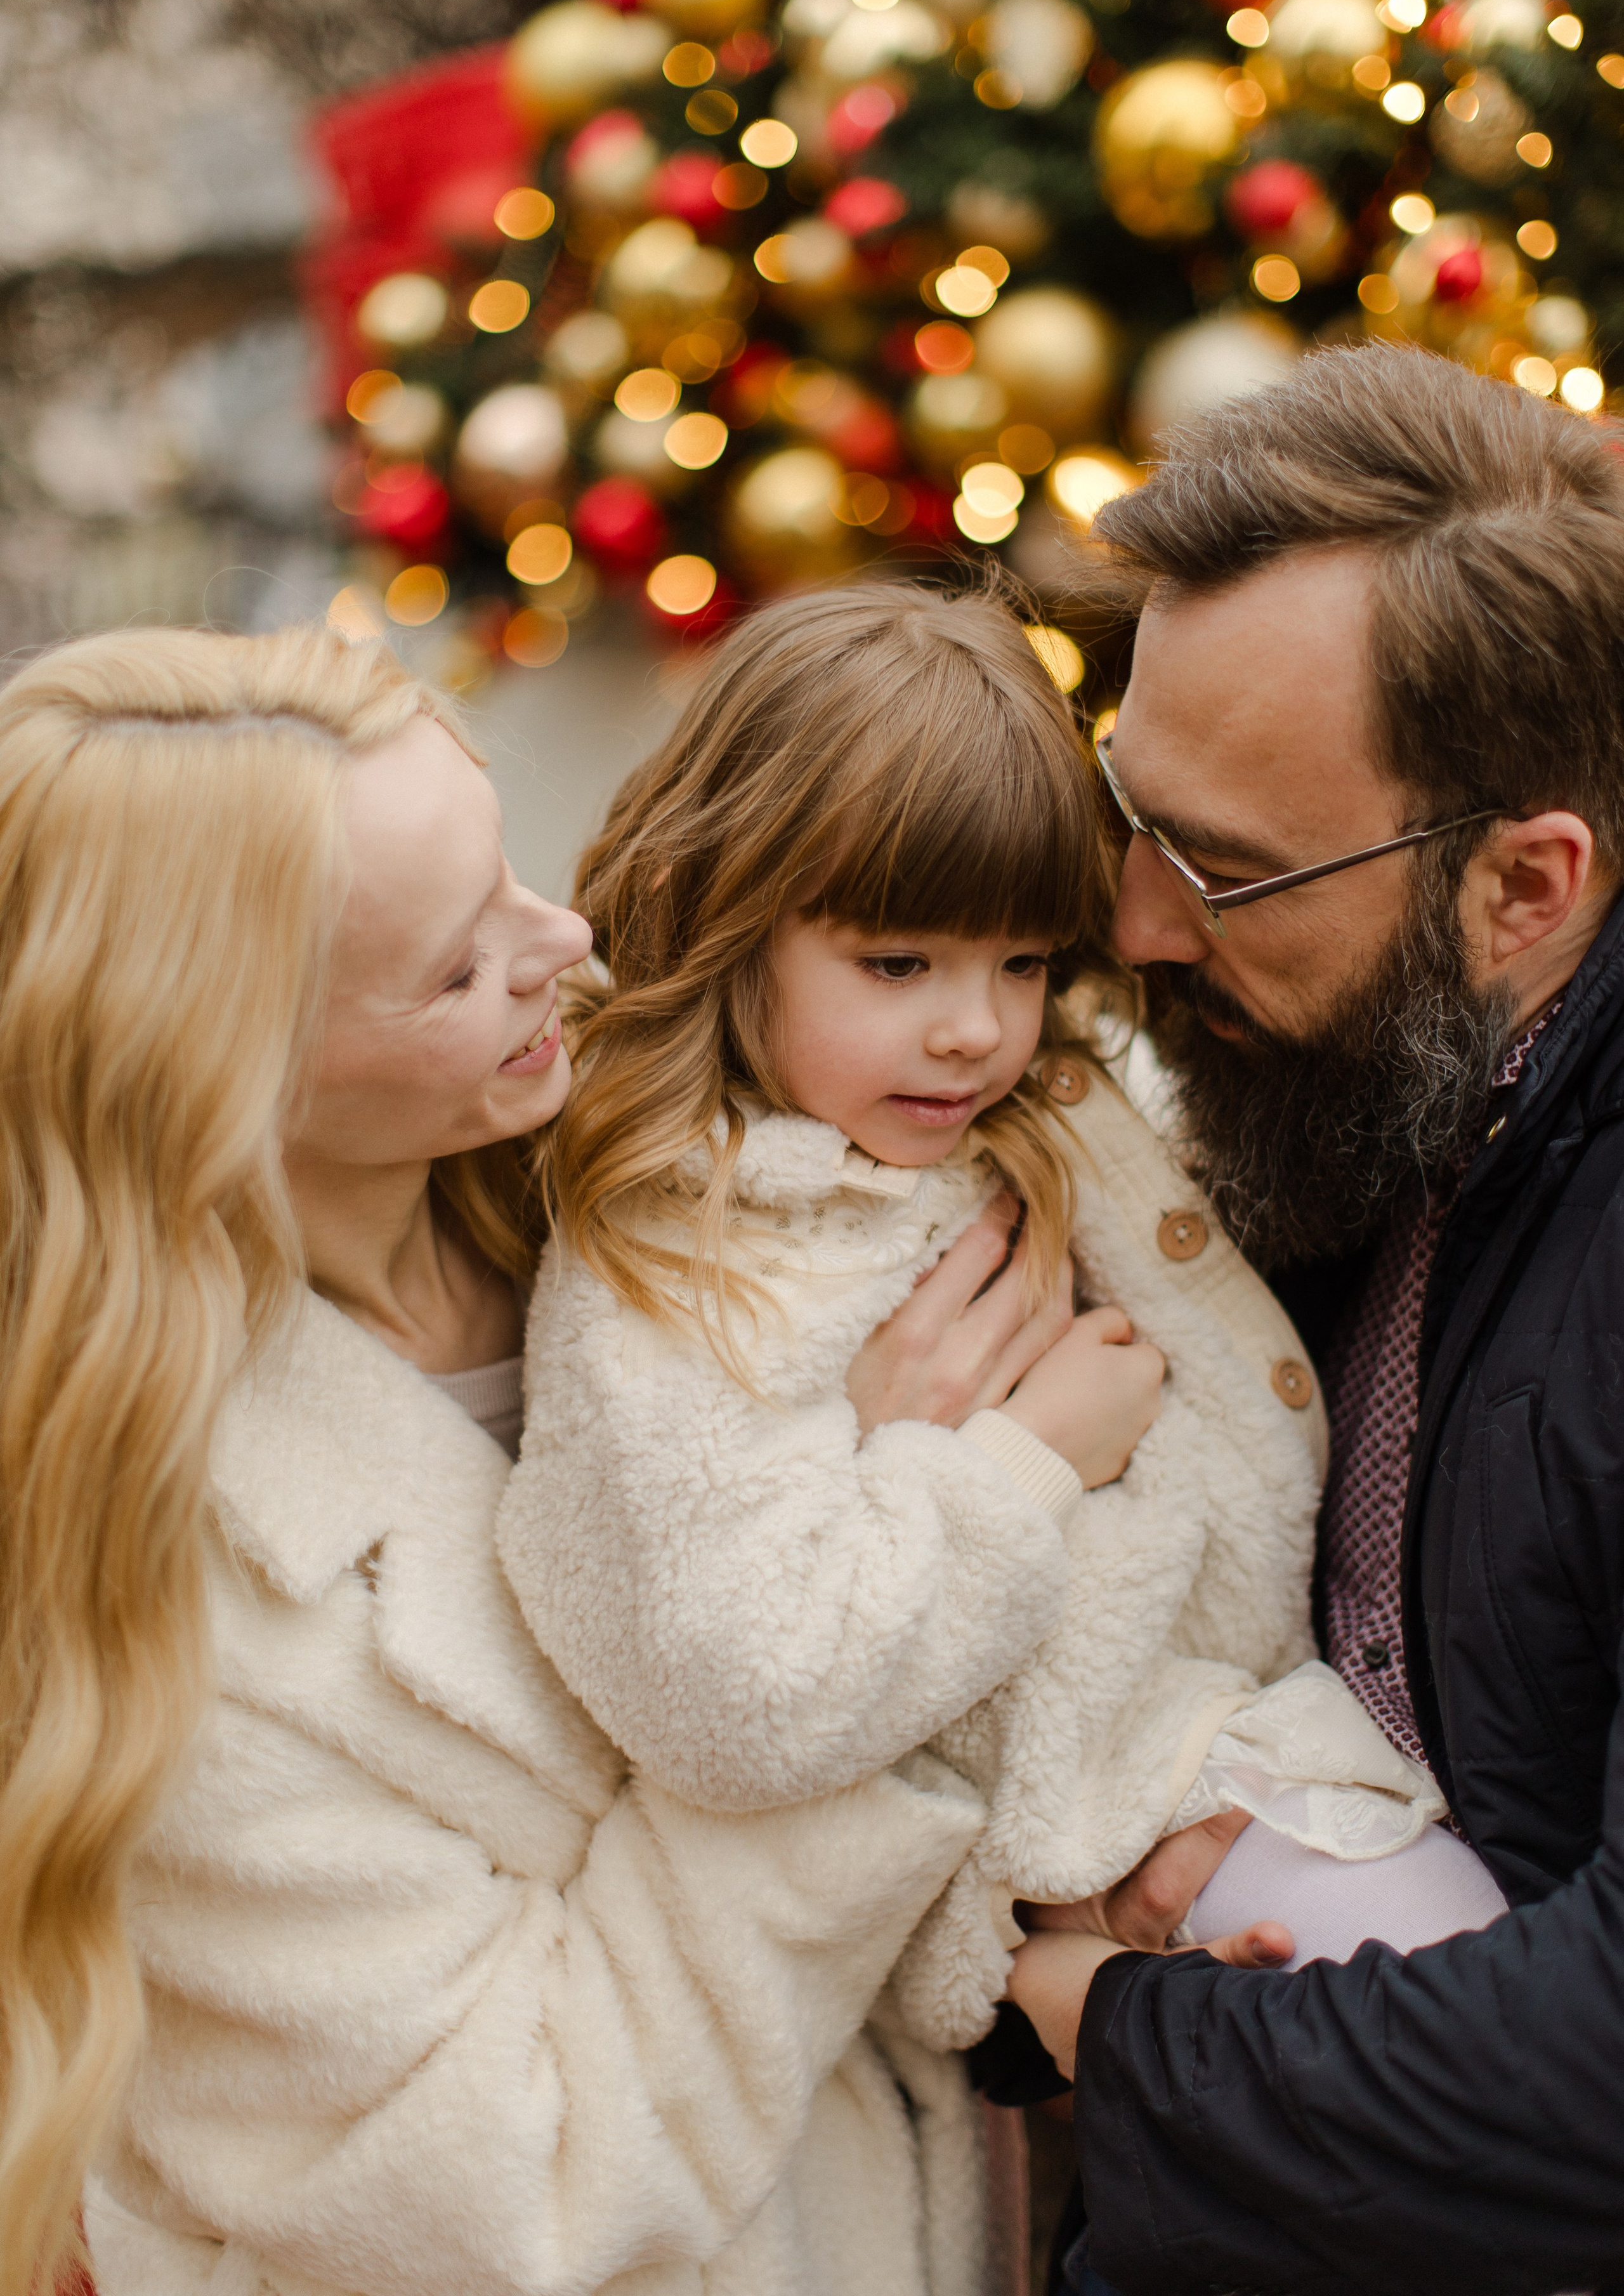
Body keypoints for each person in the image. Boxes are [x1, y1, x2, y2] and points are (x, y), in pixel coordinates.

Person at [0, 620, 1092, 2296]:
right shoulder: (161, 1598)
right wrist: (907, 1543)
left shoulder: (646, 1181)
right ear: (217, 1071)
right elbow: (506, 2186)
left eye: (508, 870)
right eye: (454, 968)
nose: (565, 938)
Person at [497, 581, 1442, 2067]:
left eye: (1017, 962)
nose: (973, 1028)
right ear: (727, 921)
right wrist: (1015, 1461)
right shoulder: (675, 1256)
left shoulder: (1051, 1103)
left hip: (1262, 1754)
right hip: (1100, 1831)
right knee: (1466, 2097)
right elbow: (731, 1695)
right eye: (895, 964)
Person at [1005, 343, 1624, 2295]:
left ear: (1524, 886)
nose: (1136, 924)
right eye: (1135, 813)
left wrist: (1115, 2022)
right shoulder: (1341, 1091)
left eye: (1234, 871)